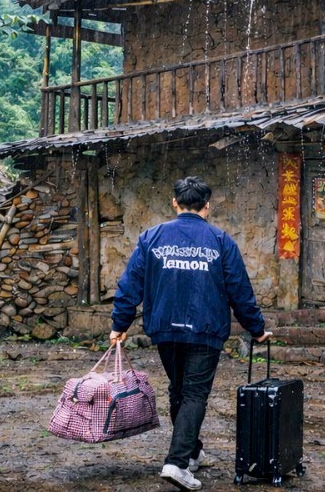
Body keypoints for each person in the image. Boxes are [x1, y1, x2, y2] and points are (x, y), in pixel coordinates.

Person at [110, 176, 271, 491]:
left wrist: (120, 324)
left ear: (175, 203)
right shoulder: (220, 240)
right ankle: (177, 463)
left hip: (165, 328)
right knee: (194, 394)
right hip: (205, 328)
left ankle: (192, 452)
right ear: (207, 207)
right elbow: (239, 290)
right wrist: (258, 329)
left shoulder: (152, 237)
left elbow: (130, 284)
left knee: (179, 391)